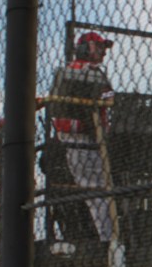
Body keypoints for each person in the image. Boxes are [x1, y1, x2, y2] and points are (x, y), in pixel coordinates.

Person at [48, 31, 116, 242]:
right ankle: (108, 240)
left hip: (87, 138)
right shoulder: (81, 71)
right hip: (78, 137)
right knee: (97, 191)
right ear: (85, 48)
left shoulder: (89, 72)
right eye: (99, 46)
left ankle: (108, 238)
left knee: (97, 190)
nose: (104, 51)